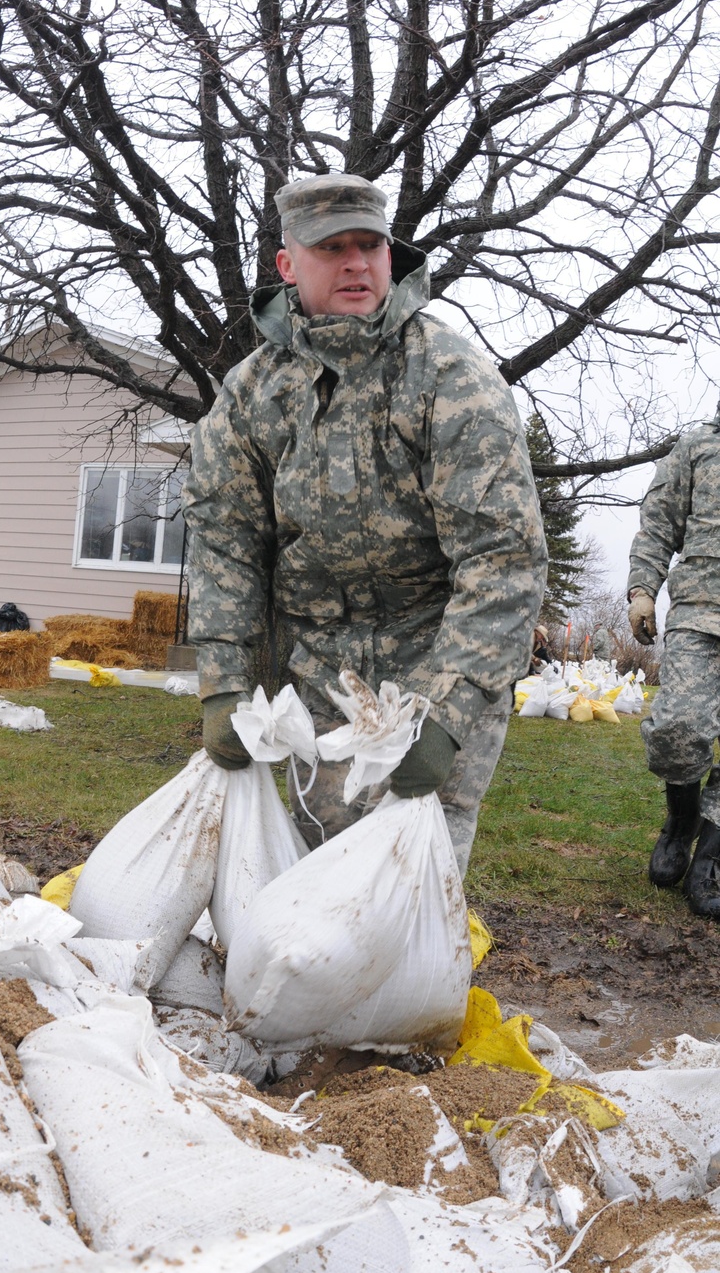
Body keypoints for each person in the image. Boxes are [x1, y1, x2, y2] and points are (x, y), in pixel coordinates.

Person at [183, 174, 548, 876]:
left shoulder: (450, 376)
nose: (356, 263)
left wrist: (448, 711)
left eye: (370, 246)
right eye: (332, 248)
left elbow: (501, 560)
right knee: (318, 869)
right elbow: (226, 536)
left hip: (435, 654)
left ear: (390, 255)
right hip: (318, 668)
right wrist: (224, 681)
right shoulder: (254, 392)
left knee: (412, 882)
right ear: (289, 266)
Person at [627, 417, 720, 916]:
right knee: (677, 728)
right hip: (700, 612)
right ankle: (680, 823)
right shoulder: (699, 444)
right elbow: (659, 521)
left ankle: (710, 856)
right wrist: (643, 589)